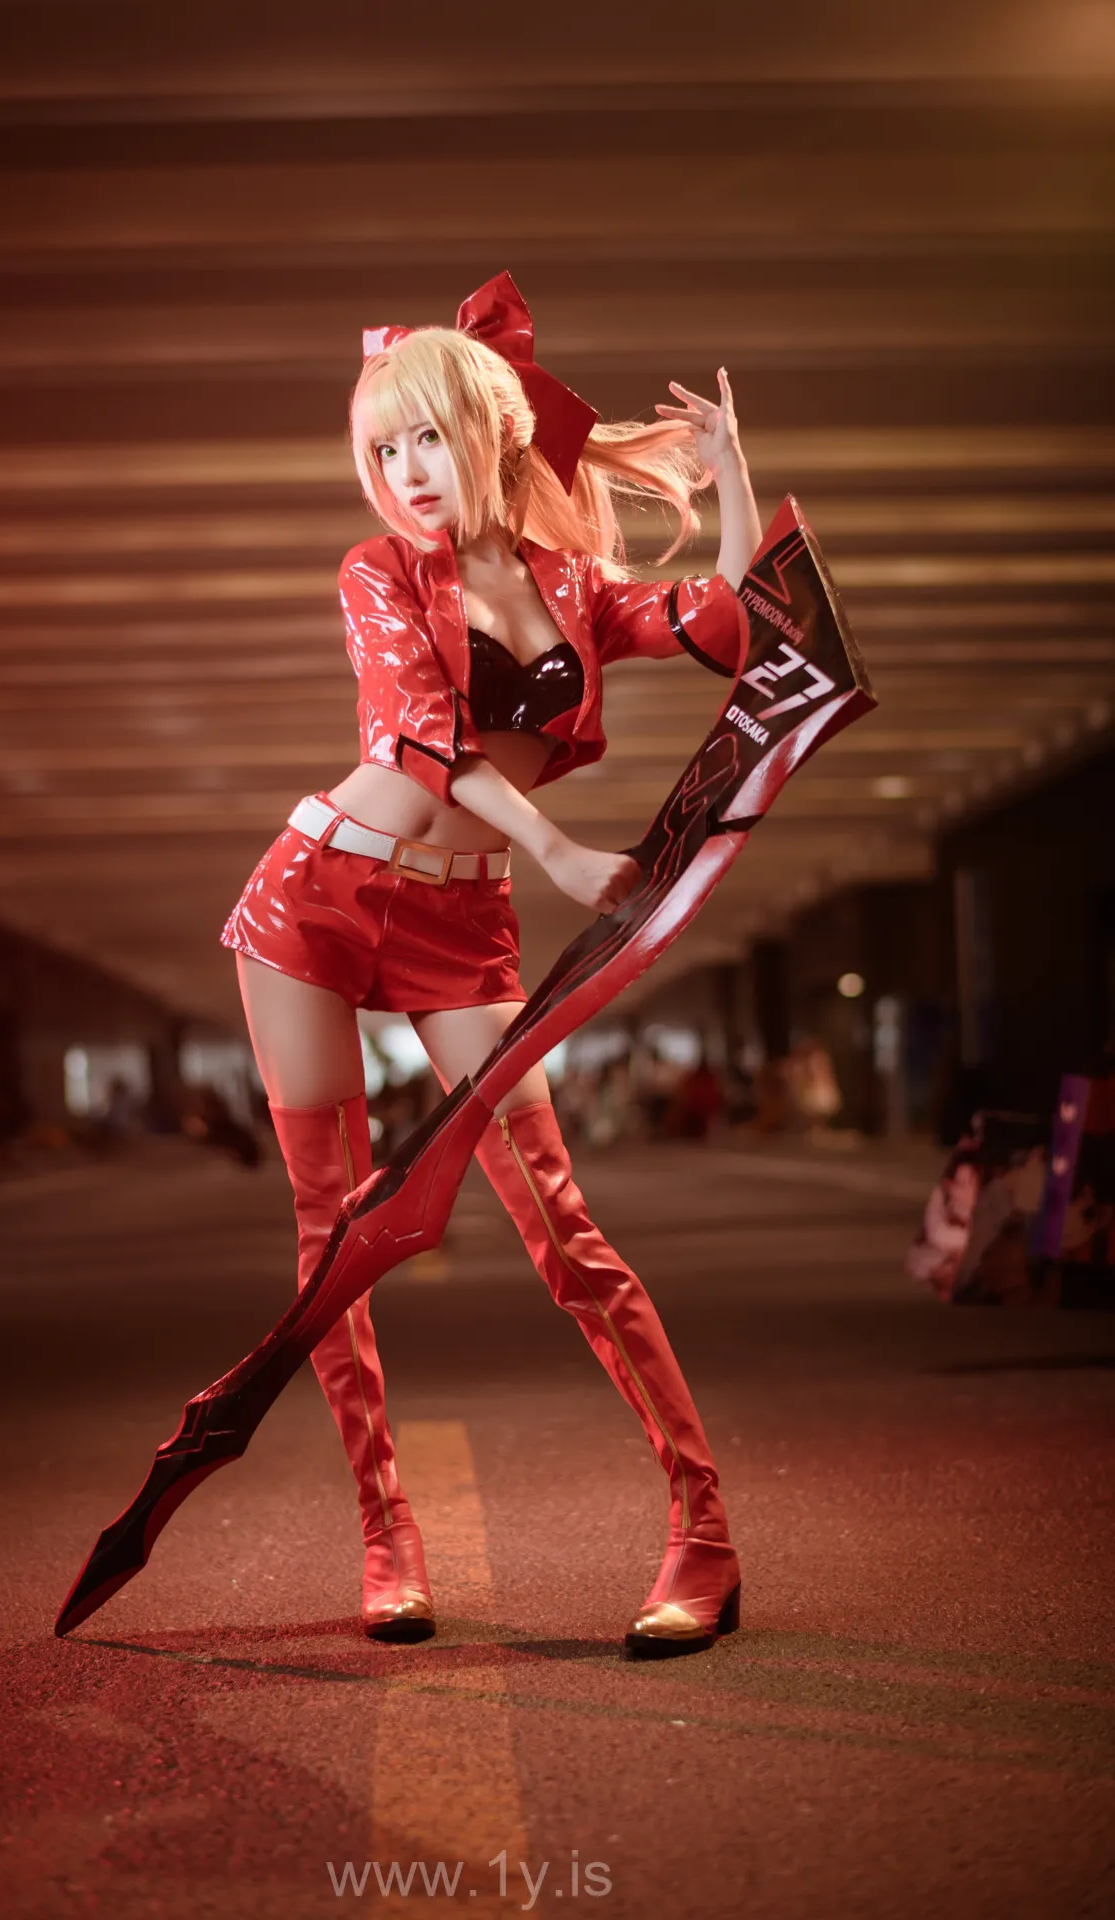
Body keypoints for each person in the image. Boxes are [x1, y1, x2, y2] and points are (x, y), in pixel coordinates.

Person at [220, 272, 761, 1655]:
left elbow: (726, 627)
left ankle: (703, 1531)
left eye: (428, 439)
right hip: (316, 900)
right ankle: (385, 1536)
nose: (405, 472)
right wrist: (565, 854)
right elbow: (423, 746)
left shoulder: (573, 583)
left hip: (464, 930)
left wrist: (733, 481)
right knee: (335, 1242)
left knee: (563, 1232)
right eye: (382, 447)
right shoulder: (376, 572)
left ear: (492, 435)